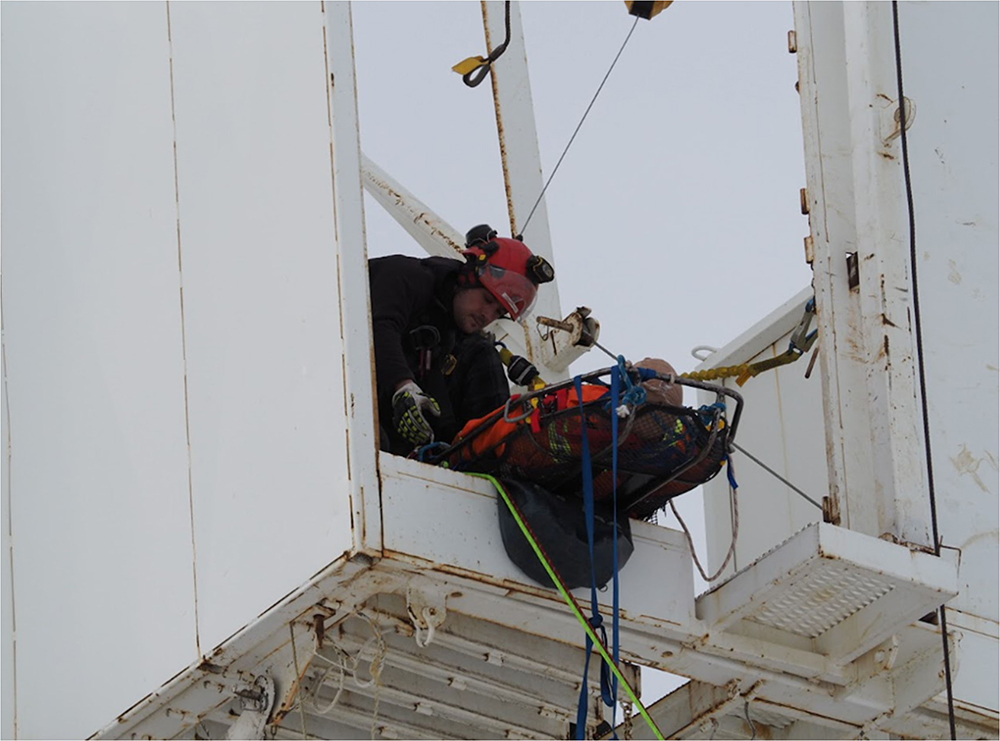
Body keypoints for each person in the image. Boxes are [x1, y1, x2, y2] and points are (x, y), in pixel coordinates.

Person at [369, 225, 555, 456]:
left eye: (499, 312)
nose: (487, 315)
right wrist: (403, 385)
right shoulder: (404, 276)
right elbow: (378, 328)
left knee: (483, 353)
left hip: (398, 436)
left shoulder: (459, 344)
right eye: (487, 299)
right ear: (468, 277)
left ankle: (492, 452)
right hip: (346, 398)